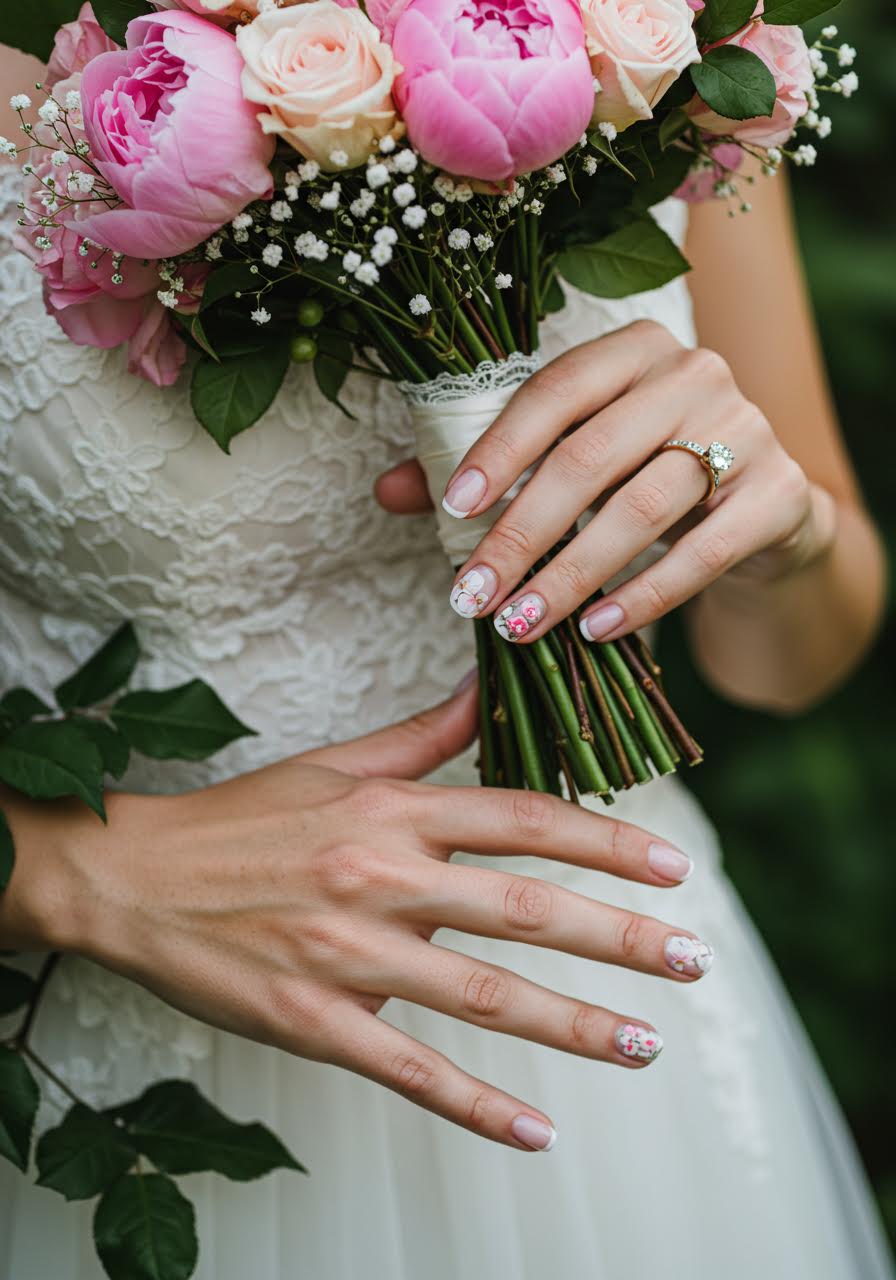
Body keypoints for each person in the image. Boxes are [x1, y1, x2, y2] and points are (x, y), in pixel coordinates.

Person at [0, 41, 892, 1280]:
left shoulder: (676, 26)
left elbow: (792, 659)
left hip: (609, 1012)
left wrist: (775, 534)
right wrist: (72, 875)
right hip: (132, 1043)